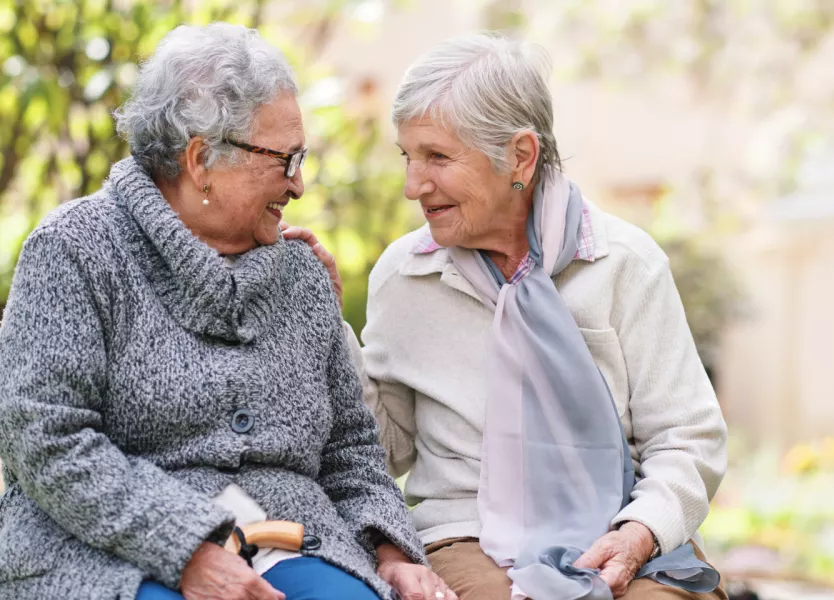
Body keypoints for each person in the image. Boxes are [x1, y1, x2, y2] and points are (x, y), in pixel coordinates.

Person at [0, 23, 455, 600]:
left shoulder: (299, 272)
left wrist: (394, 553)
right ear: (200, 160)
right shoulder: (75, 251)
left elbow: (349, 448)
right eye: (284, 160)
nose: (299, 185)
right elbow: (47, 439)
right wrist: (186, 547)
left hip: (292, 536)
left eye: (302, 158)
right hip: (106, 547)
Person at [285, 32, 729, 600]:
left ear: (519, 156)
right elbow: (384, 448)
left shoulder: (625, 264)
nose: (412, 185)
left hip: (620, 528)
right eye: (408, 156)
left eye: (438, 157)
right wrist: (327, 325)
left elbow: (686, 438)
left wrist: (639, 533)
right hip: (464, 535)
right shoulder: (405, 276)